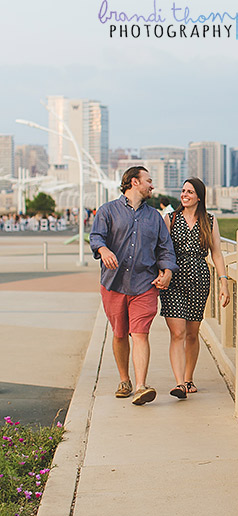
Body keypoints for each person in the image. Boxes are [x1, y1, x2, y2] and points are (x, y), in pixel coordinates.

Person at [90, 166, 177, 406]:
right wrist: (103, 249)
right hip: (114, 283)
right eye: (149, 181)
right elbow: (96, 236)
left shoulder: (155, 218)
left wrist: (168, 271)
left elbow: (165, 249)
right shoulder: (108, 211)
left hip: (145, 284)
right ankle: (124, 380)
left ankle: (141, 386)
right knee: (119, 334)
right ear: (134, 182)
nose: (152, 185)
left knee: (140, 334)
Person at [160, 177, 230, 398]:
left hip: (199, 279)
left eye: (189, 191)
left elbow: (217, 253)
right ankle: (179, 383)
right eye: (183, 191)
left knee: (192, 333)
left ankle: (189, 379)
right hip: (174, 279)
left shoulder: (209, 221)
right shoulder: (169, 218)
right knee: (177, 332)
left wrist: (224, 282)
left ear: (199, 196)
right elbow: (161, 250)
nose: (184, 195)